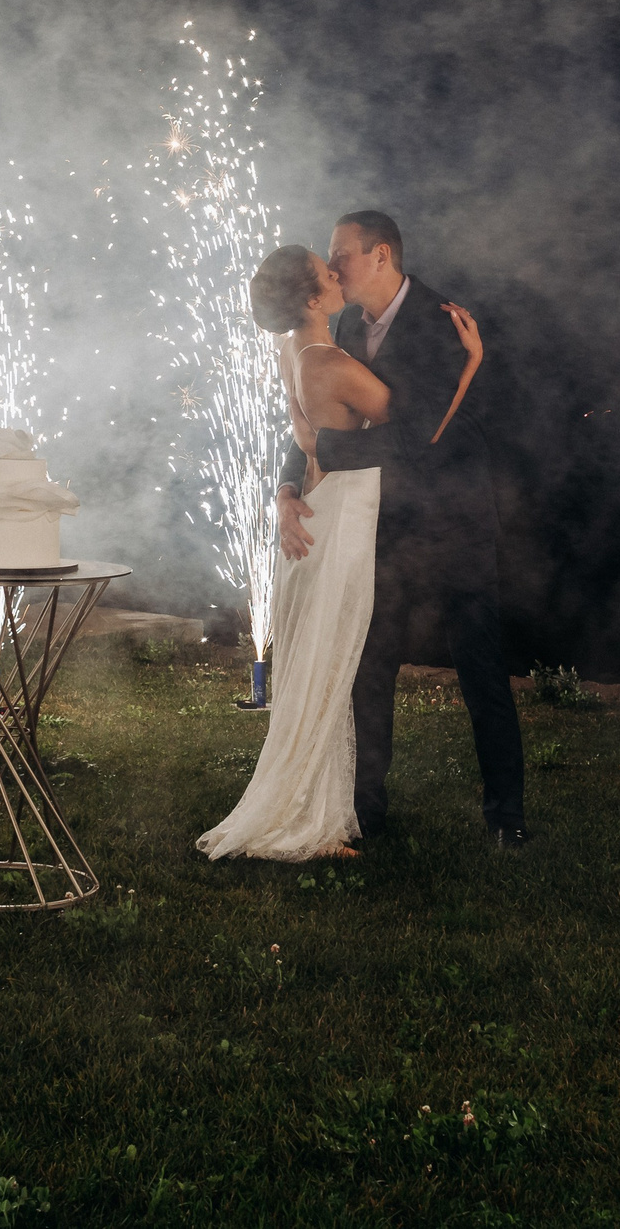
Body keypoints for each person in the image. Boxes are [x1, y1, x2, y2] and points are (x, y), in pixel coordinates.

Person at [197, 242, 482, 860]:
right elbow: (419, 433)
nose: (336, 275)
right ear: (311, 297)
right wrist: (471, 363)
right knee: (332, 665)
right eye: (326, 273)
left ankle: (321, 802)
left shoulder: (288, 349)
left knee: (318, 663)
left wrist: (283, 489)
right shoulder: (328, 362)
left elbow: (308, 438)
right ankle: (307, 818)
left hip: (317, 515)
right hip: (345, 517)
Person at [273, 212, 525, 848]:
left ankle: (506, 820)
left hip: (454, 521)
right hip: (382, 525)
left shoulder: (442, 323)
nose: (332, 269)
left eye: (342, 256)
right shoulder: (344, 328)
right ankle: (366, 813)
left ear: (381, 255)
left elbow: (421, 438)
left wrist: (324, 453)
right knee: (370, 662)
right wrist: (286, 486)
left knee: (481, 668)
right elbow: (313, 411)